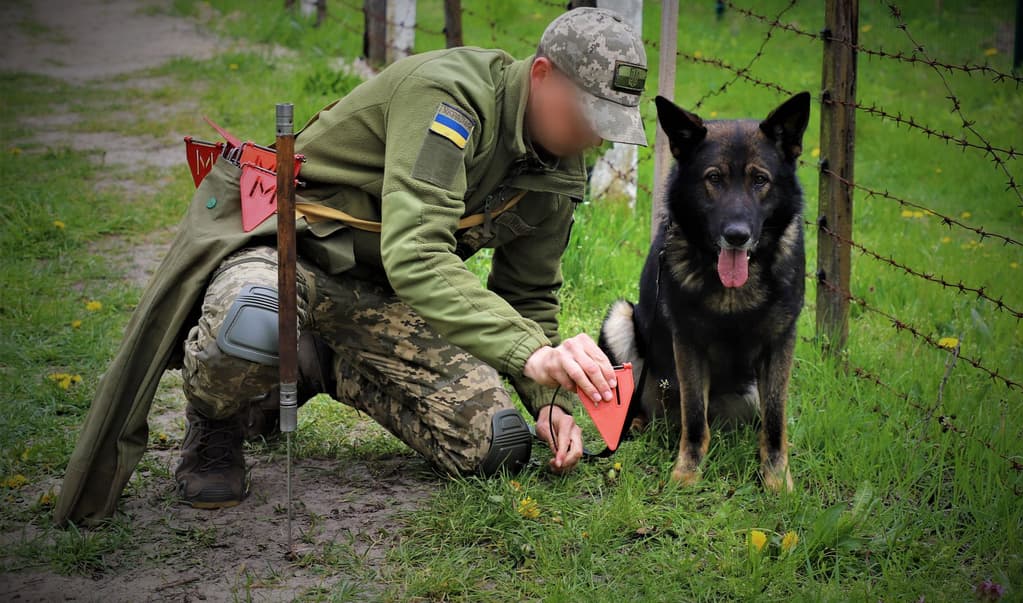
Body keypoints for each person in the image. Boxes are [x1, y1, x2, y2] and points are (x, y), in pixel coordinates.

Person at [53, 7, 648, 521]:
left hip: (381, 296)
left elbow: (530, 294)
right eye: (587, 117)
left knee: (494, 447)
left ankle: (318, 363)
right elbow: (416, 253)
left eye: (608, 126)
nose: (596, 139)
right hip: (289, 254)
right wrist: (532, 353)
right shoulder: (452, 97)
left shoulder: (556, 172)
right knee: (254, 316)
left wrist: (549, 404)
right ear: (541, 76)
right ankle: (216, 422)